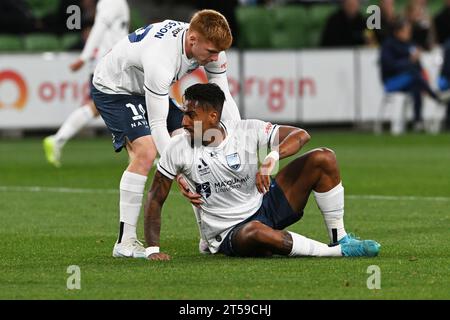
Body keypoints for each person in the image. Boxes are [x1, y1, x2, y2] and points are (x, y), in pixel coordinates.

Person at [143, 83, 381, 260]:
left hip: (265, 204)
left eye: (190, 115)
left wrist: (271, 158)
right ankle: (337, 253)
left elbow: (300, 135)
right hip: (229, 231)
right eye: (184, 113)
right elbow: (155, 197)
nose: (183, 121)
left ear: (213, 116)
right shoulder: (178, 147)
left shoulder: (246, 130)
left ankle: (339, 237)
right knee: (257, 233)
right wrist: (153, 249)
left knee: (323, 158)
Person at [91, 10, 241, 258]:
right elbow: (158, 125)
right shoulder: (161, 59)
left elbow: (223, 102)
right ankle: (125, 242)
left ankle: (209, 237)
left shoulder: (210, 46)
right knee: (147, 151)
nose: (215, 58)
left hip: (147, 87)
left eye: (218, 52)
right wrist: (177, 173)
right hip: (114, 87)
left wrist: (235, 142)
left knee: (197, 145)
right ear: (193, 40)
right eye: (211, 52)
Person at [43, 0, 130, 167]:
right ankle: (143, 153)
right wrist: (84, 57)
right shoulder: (112, 2)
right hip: (111, 63)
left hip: (111, 62)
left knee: (101, 107)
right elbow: (99, 29)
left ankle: (57, 139)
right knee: (135, 102)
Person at [380, 17, 445, 131]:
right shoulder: (388, 45)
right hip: (391, 81)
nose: (408, 34)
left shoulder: (410, 45)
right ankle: (435, 97)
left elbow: (418, 66)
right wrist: (409, 61)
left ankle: (418, 122)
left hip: (410, 80)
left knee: (416, 86)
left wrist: (424, 78)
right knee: (415, 77)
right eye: (406, 31)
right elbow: (390, 66)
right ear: (397, 32)